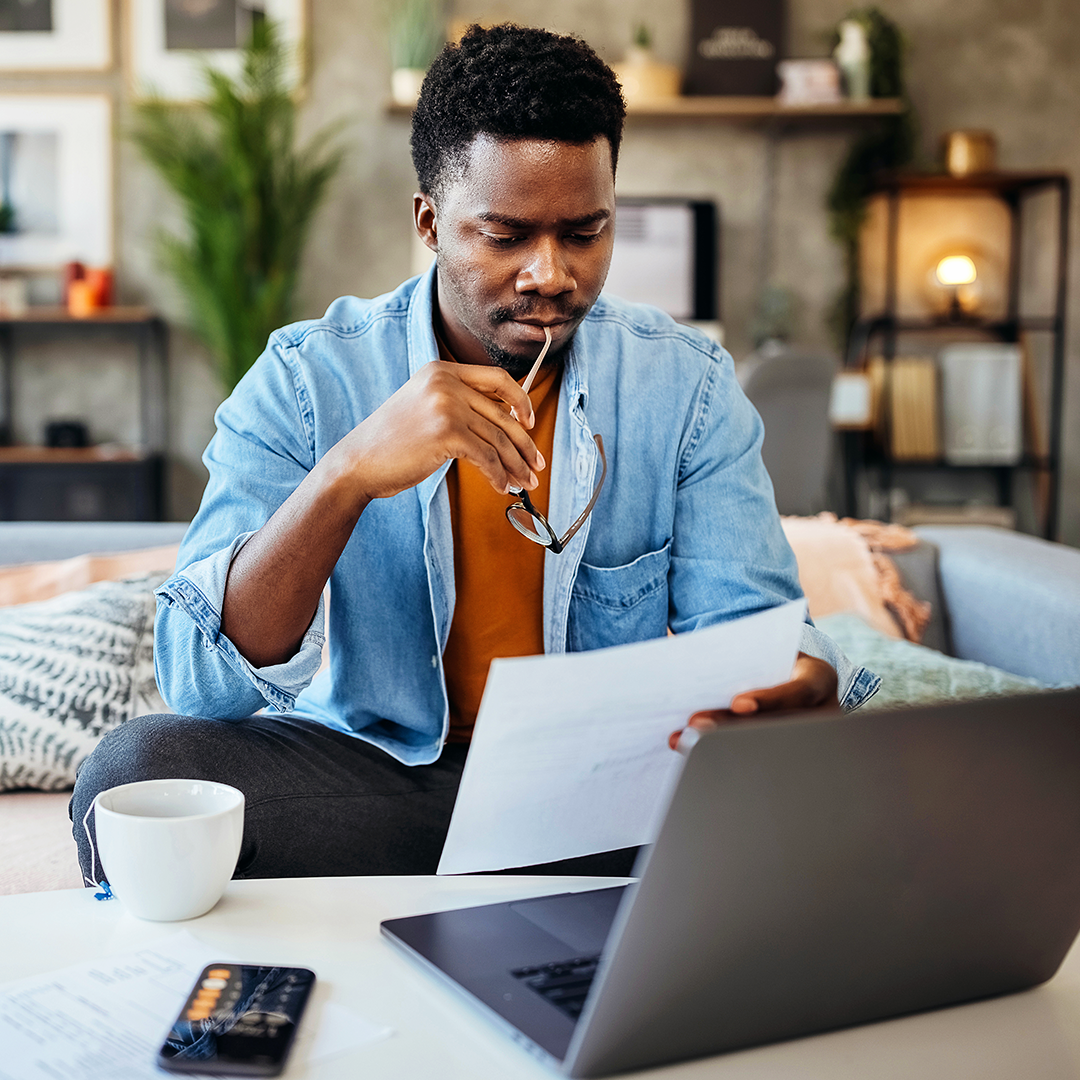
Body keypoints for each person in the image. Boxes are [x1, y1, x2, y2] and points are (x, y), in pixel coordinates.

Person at [71, 24, 878, 884]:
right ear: (429, 221)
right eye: (506, 236)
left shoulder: (686, 386)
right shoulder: (309, 377)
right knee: (135, 777)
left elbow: (749, 634)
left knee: (860, 796)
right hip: (388, 784)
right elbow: (203, 684)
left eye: (584, 232)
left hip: (600, 793)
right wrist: (350, 473)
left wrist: (786, 681)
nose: (550, 274)